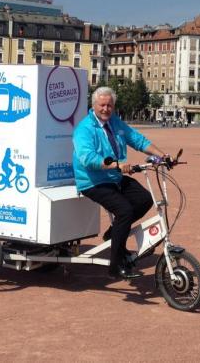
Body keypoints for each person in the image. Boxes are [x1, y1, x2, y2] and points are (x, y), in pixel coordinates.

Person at [72, 86, 169, 280]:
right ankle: (115, 265)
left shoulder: (115, 123)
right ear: (94, 106)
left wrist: (163, 155)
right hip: (92, 181)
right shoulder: (84, 129)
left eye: (109, 105)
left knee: (144, 199)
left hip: (114, 177)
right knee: (124, 211)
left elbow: (137, 139)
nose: (106, 109)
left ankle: (113, 232)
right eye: (102, 105)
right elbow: (87, 157)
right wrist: (116, 165)